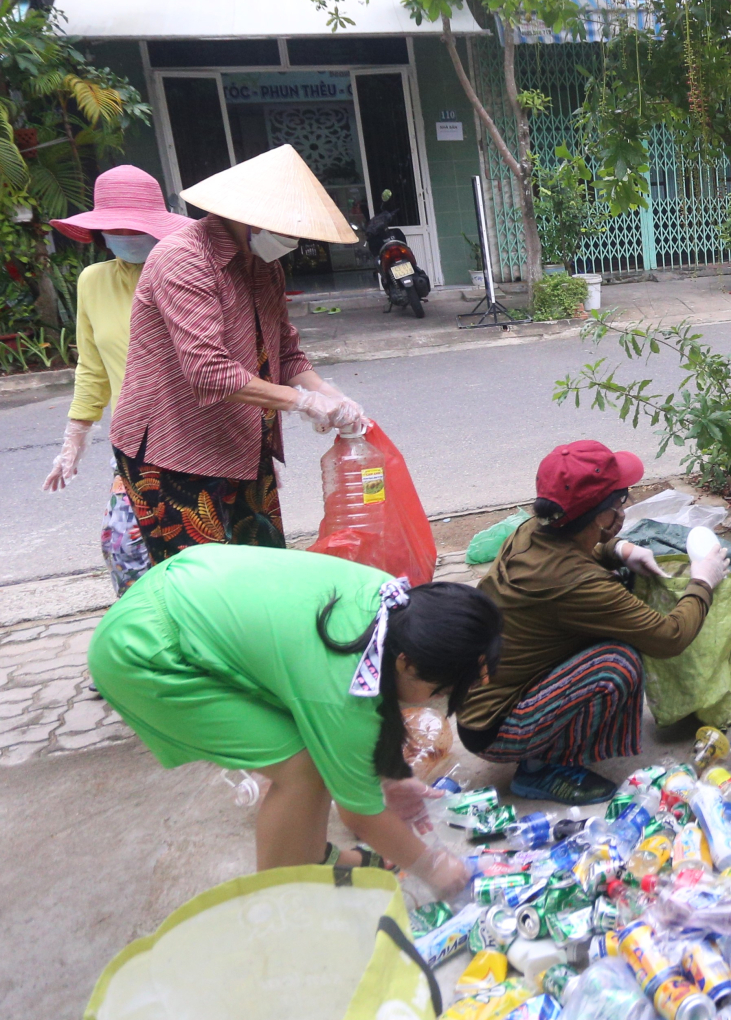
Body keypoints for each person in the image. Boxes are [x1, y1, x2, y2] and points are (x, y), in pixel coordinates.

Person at [87, 543, 501, 892]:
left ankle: (314, 859)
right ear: (408, 664)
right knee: (301, 767)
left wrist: (393, 779)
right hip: (144, 652)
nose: (435, 703)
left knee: (313, 758)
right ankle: (281, 901)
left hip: (183, 596)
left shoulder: (390, 603)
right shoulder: (343, 693)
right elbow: (360, 814)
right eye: (441, 691)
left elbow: (362, 728)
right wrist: (435, 868)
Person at [111, 144, 370, 565]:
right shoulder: (184, 259)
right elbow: (208, 370)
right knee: (203, 585)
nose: (291, 237)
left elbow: (283, 351)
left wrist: (328, 394)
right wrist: (303, 402)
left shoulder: (264, 264)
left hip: (241, 443)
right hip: (174, 448)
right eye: (284, 226)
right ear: (247, 215)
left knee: (261, 570)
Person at [457, 441, 731, 804]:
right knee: (617, 664)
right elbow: (670, 637)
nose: (623, 510)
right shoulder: (574, 582)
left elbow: (578, 552)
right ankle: (540, 769)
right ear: (601, 517)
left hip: (479, 698)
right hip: (497, 726)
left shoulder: (533, 529)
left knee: (618, 598)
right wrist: (703, 580)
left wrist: (619, 549)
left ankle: (546, 746)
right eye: (620, 502)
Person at [43, 167, 195, 594]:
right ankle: (147, 642)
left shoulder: (188, 274)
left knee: (194, 554)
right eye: (117, 227)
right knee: (123, 545)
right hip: (134, 444)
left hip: (197, 439)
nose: (127, 234)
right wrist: (74, 440)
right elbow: (92, 366)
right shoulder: (93, 282)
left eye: (136, 226)